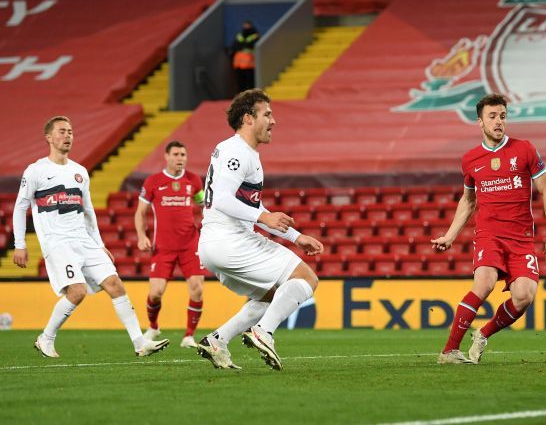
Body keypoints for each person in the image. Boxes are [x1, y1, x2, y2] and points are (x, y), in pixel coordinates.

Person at [12, 116, 170, 358]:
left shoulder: (80, 172)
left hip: (84, 240)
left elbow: (88, 212)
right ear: (49, 138)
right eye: (62, 131)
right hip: (58, 241)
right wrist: (20, 244)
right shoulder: (36, 171)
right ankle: (46, 338)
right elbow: (20, 207)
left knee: (115, 285)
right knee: (77, 292)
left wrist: (99, 243)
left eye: (71, 132)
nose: (68, 136)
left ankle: (140, 343)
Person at [196, 89, 324, 370]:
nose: (273, 121)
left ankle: (217, 339)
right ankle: (264, 332)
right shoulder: (236, 151)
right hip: (229, 241)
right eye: (267, 114)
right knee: (307, 278)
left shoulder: (243, 153)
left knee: (272, 296)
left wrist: (295, 236)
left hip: (213, 246)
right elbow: (222, 200)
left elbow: (249, 205)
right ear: (248, 119)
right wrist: (263, 218)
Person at [431, 94, 546, 364]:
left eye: (502, 116)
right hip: (489, 236)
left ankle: (483, 334)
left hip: (521, 238)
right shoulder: (470, 160)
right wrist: (450, 235)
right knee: (485, 283)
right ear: (480, 122)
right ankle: (449, 351)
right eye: (492, 116)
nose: (498, 121)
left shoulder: (525, 149)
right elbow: (468, 201)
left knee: (524, 296)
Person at [135, 140, 205, 349]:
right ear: (166, 157)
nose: (180, 158)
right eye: (176, 154)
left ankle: (189, 336)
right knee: (155, 293)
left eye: (183, 155)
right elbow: (140, 212)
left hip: (189, 244)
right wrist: (141, 235)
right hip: (163, 246)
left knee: (197, 289)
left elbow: (204, 205)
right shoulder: (153, 182)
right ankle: (154, 326)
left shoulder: (194, 181)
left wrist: (206, 225)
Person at [231, 20, 259, 93]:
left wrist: (243, 45)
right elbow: (234, 45)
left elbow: (251, 44)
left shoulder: (255, 35)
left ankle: (250, 95)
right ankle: (241, 94)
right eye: (244, 25)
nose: (245, 26)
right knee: (240, 80)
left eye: (247, 25)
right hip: (239, 63)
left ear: (251, 25)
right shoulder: (239, 34)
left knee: (250, 80)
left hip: (249, 63)